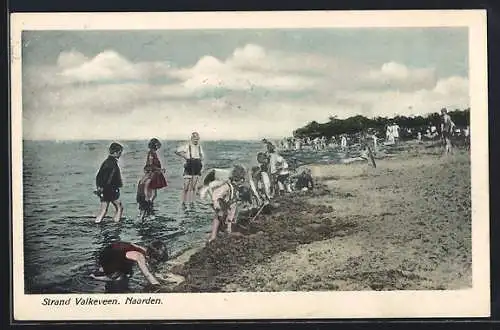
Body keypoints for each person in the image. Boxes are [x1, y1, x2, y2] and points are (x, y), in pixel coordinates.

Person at [91, 240, 167, 286]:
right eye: (157, 260)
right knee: (120, 278)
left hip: (110, 250)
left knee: (128, 272)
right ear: (150, 256)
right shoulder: (139, 256)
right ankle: (94, 277)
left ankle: (103, 269)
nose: (157, 262)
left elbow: (131, 244)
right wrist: (157, 284)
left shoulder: (145, 250)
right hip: (109, 256)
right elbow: (147, 274)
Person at [208, 165, 246, 243]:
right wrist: (216, 204)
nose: (241, 182)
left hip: (230, 206)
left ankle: (227, 231)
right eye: (241, 180)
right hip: (223, 205)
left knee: (229, 218)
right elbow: (215, 194)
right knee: (218, 217)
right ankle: (213, 236)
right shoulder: (227, 186)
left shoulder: (235, 188)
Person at [94, 142, 124, 224]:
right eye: (119, 152)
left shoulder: (106, 162)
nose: (120, 154)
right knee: (119, 207)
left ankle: (97, 222)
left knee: (103, 210)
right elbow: (110, 178)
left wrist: (99, 187)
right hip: (110, 189)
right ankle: (116, 224)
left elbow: (98, 176)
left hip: (104, 189)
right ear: (115, 152)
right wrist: (106, 188)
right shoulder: (112, 163)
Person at [175, 132, 204, 209]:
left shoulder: (199, 147)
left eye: (197, 139)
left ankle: (192, 202)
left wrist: (200, 159)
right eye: (195, 138)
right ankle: (183, 202)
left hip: (197, 166)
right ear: (192, 138)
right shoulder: (187, 146)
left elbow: (202, 156)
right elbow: (176, 151)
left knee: (194, 187)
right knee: (186, 186)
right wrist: (184, 156)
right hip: (189, 166)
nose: (196, 140)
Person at [144, 138, 168, 205]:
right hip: (152, 173)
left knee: (153, 194)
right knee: (152, 193)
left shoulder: (153, 153)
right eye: (157, 145)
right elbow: (151, 165)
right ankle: (148, 204)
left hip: (154, 173)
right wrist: (160, 169)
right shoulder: (151, 153)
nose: (158, 147)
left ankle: (149, 204)